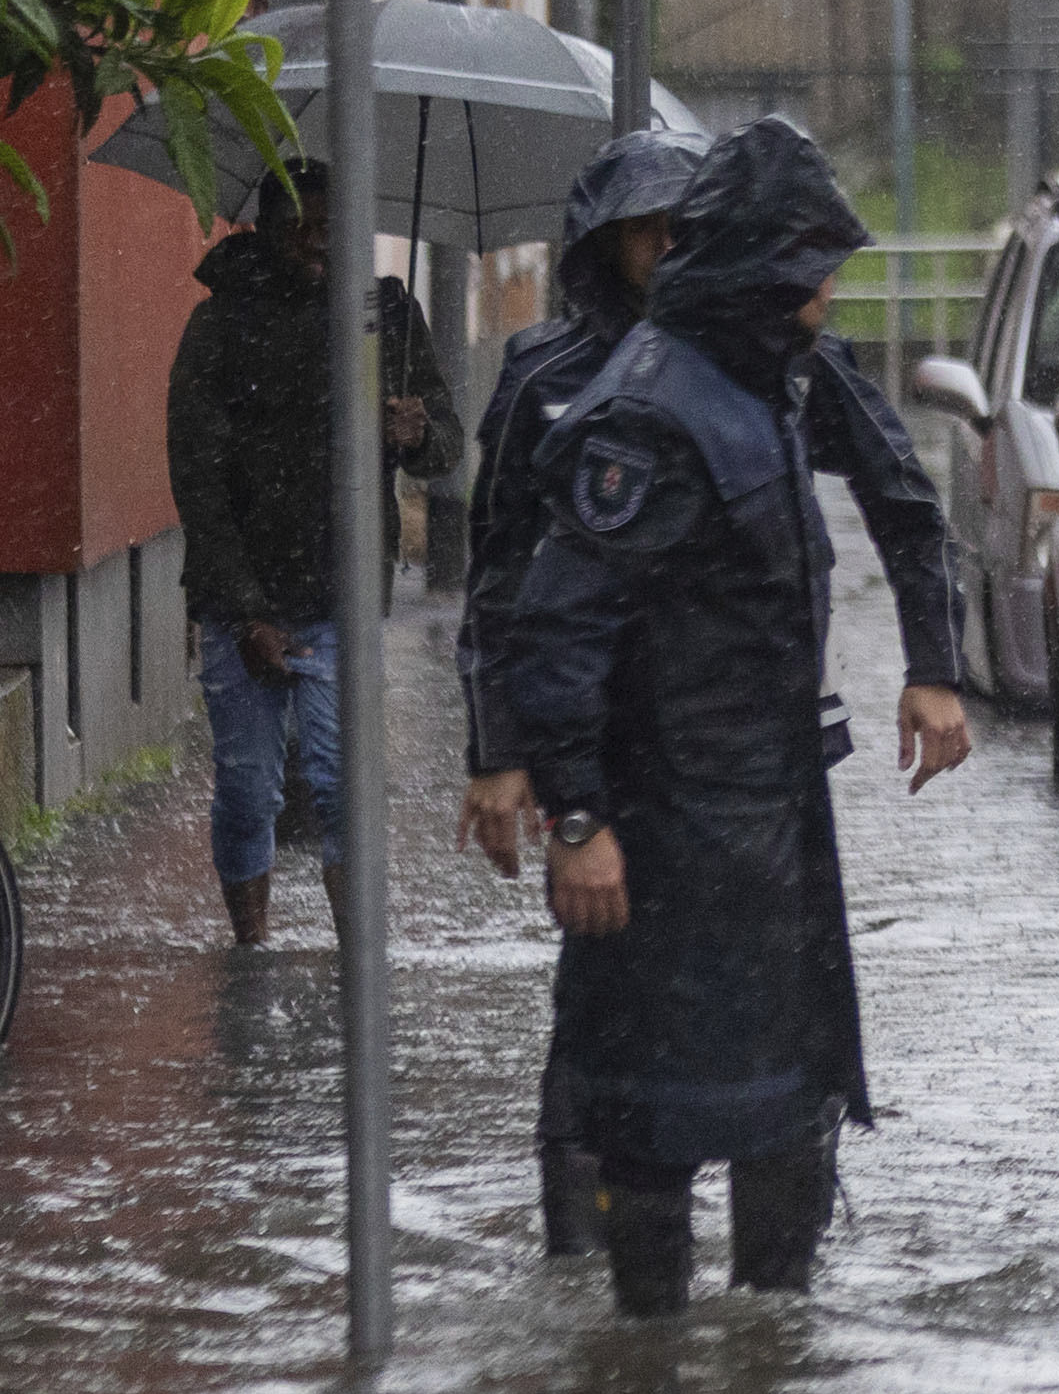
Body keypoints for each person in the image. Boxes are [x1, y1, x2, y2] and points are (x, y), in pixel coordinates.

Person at [497, 119, 975, 1319]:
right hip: (664, 820)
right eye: (816, 263)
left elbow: (898, 503)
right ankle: (645, 1347)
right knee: (648, 1103)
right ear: (766, 265)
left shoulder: (763, 379)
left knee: (790, 1091)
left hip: (767, 809)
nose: (831, 289)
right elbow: (556, 625)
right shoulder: (652, 415)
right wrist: (578, 814)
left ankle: (773, 1355)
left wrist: (932, 662)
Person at [452, 126, 708, 1251]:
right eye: (645, 229)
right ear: (606, 244)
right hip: (586, 736)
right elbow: (497, 567)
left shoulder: (734, 364)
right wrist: (497, 748)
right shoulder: (543, 372)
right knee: (598, 981)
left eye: (680, 227)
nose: (663, 247)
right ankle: (582, 1235)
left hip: (713, 734)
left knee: (727, 982)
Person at [165, 165, 454, 950]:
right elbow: (197, 478)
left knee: (343, 785)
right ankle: (250, 948)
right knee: (248, 789)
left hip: (343, 594)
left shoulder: (383, 321)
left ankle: (355, 958)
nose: (325, 246)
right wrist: (245, 609)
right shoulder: (220, 328)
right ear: (270, 230)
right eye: (309, 229)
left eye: (337, 229)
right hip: (240, 603)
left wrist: (414, 432)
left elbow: (444, 448)